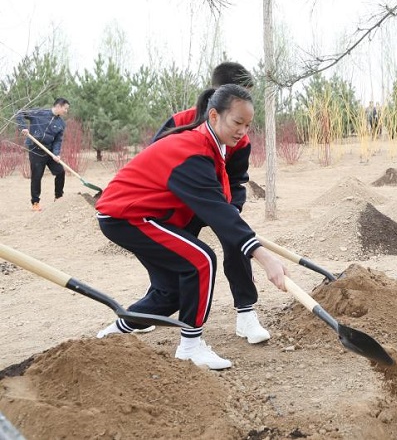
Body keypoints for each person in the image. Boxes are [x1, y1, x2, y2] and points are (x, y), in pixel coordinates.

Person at [95, 84, 290, 370]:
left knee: (170, 293)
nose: (242, 131)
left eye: (247, 125)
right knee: (201, 261)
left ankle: (112, 334)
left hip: (146, 214)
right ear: (214, 116)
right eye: (237, 122)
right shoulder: (192, 151)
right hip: (127, 215)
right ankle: (190, 347)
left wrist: (242, 234)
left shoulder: (214, 147)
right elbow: (216, 209)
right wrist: (263, 256)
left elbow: (223, 204)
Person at [151, 61, 270, 344]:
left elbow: (237, 178)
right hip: (181, 203)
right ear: (221, 93)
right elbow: (156, 159)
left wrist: (232, 212)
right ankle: (148, 312)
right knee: (175, 253)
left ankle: (246, 313)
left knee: (237, 243)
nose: (244, 107)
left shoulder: (240, 138)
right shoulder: (182, 121)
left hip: (219, 204)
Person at [15, 98, 71, 212]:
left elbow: (58, 141)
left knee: (60, 172)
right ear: (59, 106)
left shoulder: (61, 123)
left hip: (49, 151)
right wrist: (23, 127)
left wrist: (56, 154)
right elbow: (19, 113)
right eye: (65, 108)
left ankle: (58, 197)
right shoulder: (39, 112)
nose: (66, 111)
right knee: (37, 176)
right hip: (35, 149)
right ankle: (35, 202)